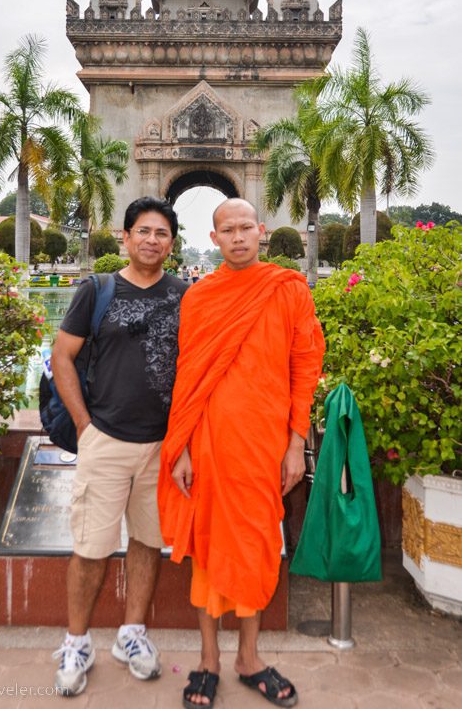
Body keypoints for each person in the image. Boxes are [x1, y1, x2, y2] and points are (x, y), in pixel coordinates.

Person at [158, 199, 324, 709]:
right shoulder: (200, 297)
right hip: (207, 444)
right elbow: (187, 375)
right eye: (226, 230)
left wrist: (296, 443)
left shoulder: (287, 289)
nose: (237, 237)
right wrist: (181, 446)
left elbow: (305, 364)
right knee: (208, 549)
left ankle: (249, 658)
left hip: (264, 446)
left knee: (255, 545)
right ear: (214, 239)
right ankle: (207, 659)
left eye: (245, 228)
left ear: (262, 231)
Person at [51, 196, 187, 697]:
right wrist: (85, 427)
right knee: (90, 548)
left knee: (148, 543)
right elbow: (62, 356)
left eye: (163, 234)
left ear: (173, 243)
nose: (153, 240)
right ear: (125, 237)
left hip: (162, 445)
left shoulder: (185, 294)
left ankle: (132, 634)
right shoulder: (97, 289)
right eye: (144, 232)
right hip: (105, 439)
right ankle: (76, 641)